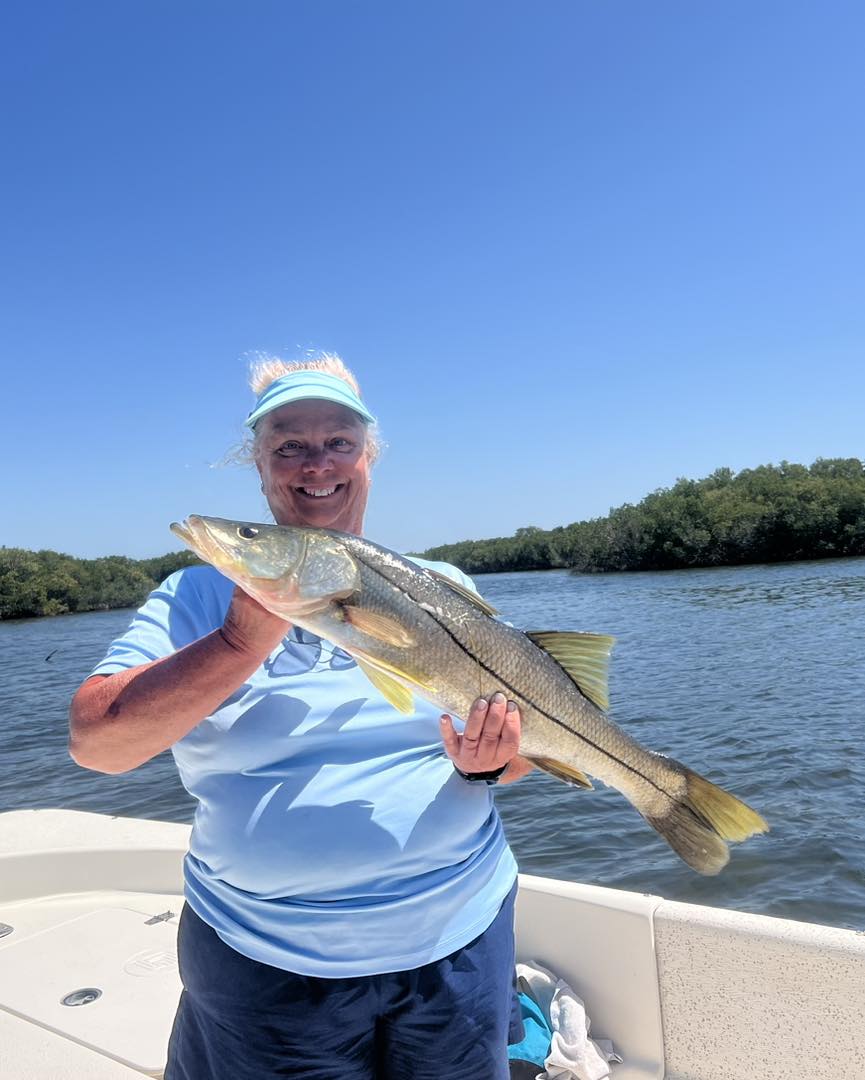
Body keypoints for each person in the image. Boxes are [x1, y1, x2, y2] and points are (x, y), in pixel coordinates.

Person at [70, 354, 534, 1080]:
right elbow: (97, 746)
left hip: (459, 934)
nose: (315, 463)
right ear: (258, 467)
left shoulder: (441, 588)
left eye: (337, 442)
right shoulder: (194, 593)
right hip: (267, 959)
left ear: (368, 458)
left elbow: (521, 750)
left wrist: (493, 764)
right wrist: (237, 641)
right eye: (287, 446)